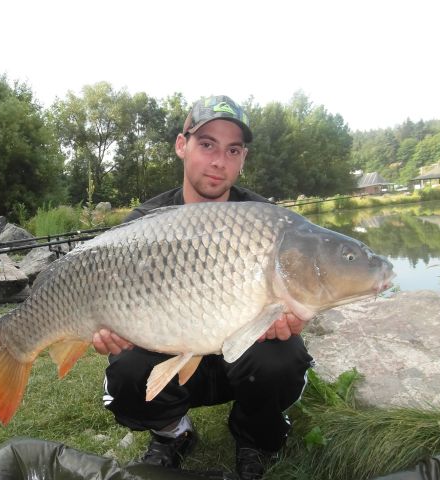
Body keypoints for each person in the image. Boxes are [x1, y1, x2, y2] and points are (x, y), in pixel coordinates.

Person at [92, 95, 314, 480]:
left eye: (233, 150)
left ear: (243, 159)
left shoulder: (266, 222)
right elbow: (102, 299)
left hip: (241, 360)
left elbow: (299, 293)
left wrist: (294, 316)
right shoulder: (143, 223)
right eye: (207, 144)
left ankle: (253, 437)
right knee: (127, 370)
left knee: (284, 358)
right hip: (170, 355)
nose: (218, 161)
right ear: (182, 145)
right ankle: (172, 432)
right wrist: (105, 329)